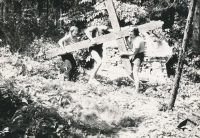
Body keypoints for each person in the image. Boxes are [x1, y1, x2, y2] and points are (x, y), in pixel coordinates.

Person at [120, 26, 145, 93]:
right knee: (129, 72)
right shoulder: (133, 38)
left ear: (135, 32)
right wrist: (126, 40)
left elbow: (134, 52)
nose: (129, 33)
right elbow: (131, 47)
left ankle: (136, 91)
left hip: (139, 56)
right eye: (129, 31)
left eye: (131, 31)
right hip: (135, 55)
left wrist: (123, 53)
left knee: (135, 73)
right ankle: (139, 85)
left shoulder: (138, 40)